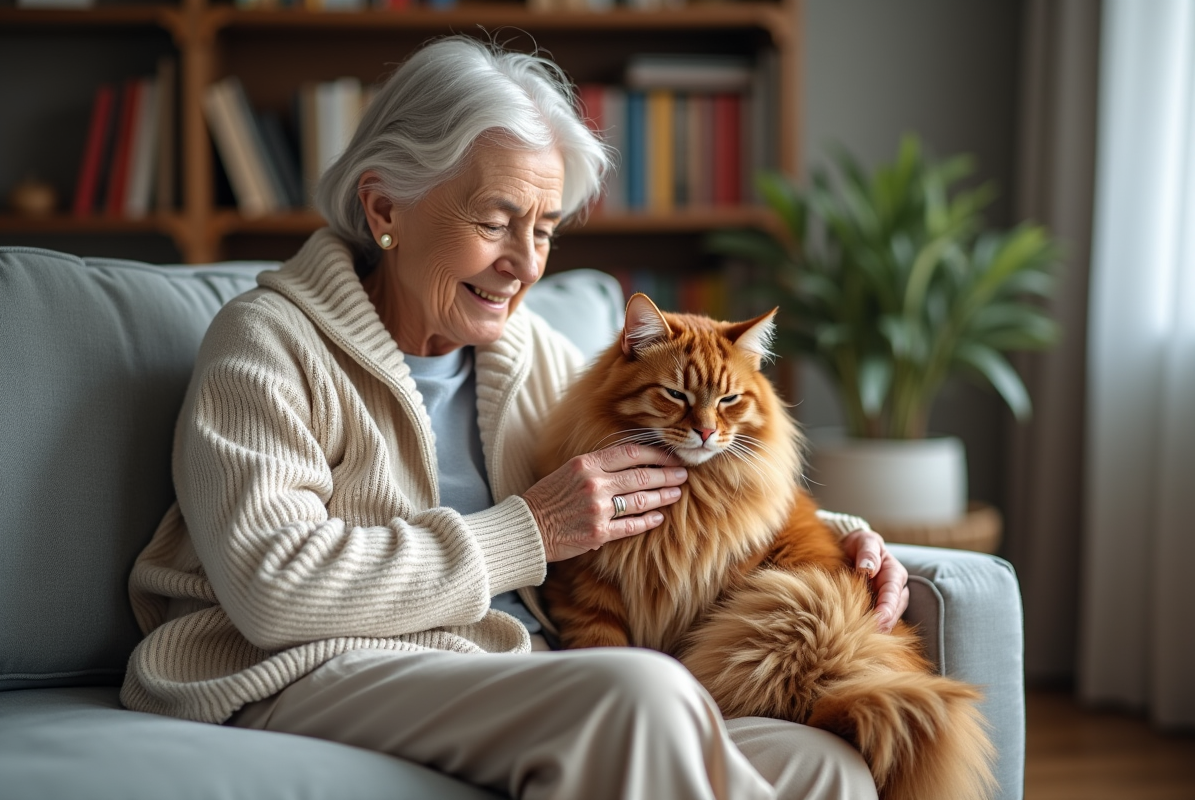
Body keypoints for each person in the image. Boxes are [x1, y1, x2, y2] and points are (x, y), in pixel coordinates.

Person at [122, 35, 910, 800]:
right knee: (636, 695)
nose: (526, 263)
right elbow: (273, 591)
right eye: (496, 221)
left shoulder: (529, 350)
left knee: (820, 763)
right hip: (313, 663)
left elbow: (663, 472)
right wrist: (525, 533)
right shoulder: (266, 341)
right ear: (384, 204)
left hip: (507, 664)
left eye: (544, 229)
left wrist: (832, 535)